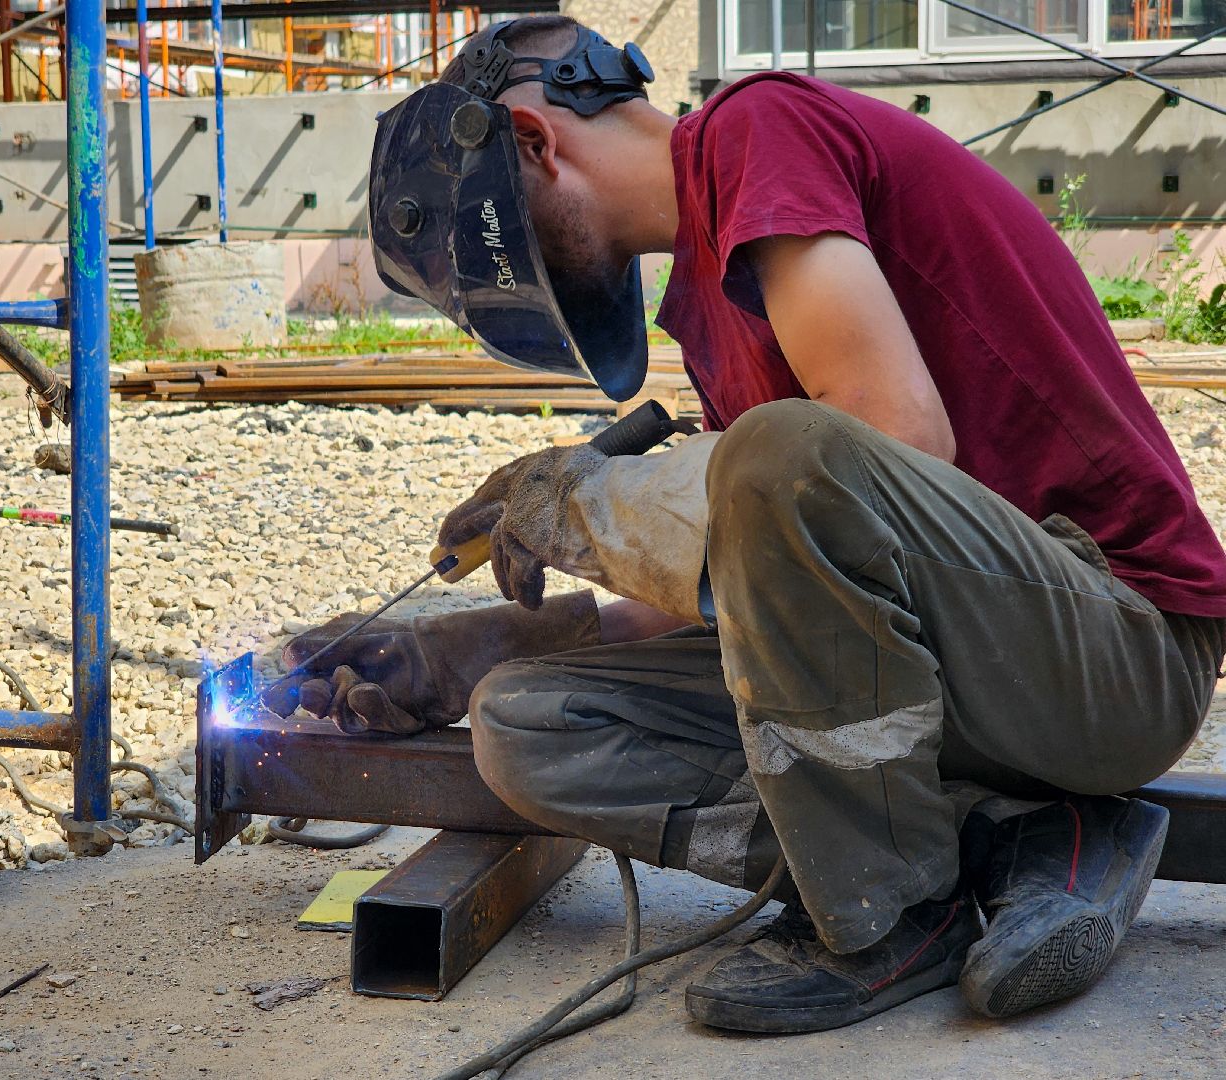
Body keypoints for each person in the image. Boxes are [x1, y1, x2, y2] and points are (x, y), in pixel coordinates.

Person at [270, 15, 1226, 1033]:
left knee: (778, 455)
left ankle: (885, 911)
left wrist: (592, 503)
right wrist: (483, 647)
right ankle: (1019, 848)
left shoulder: (755, 133)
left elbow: (889, 439)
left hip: (1112, 649)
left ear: (536, 143)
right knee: (526, 725)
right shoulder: (716, 309)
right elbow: (783, 592)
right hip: (967, 669)